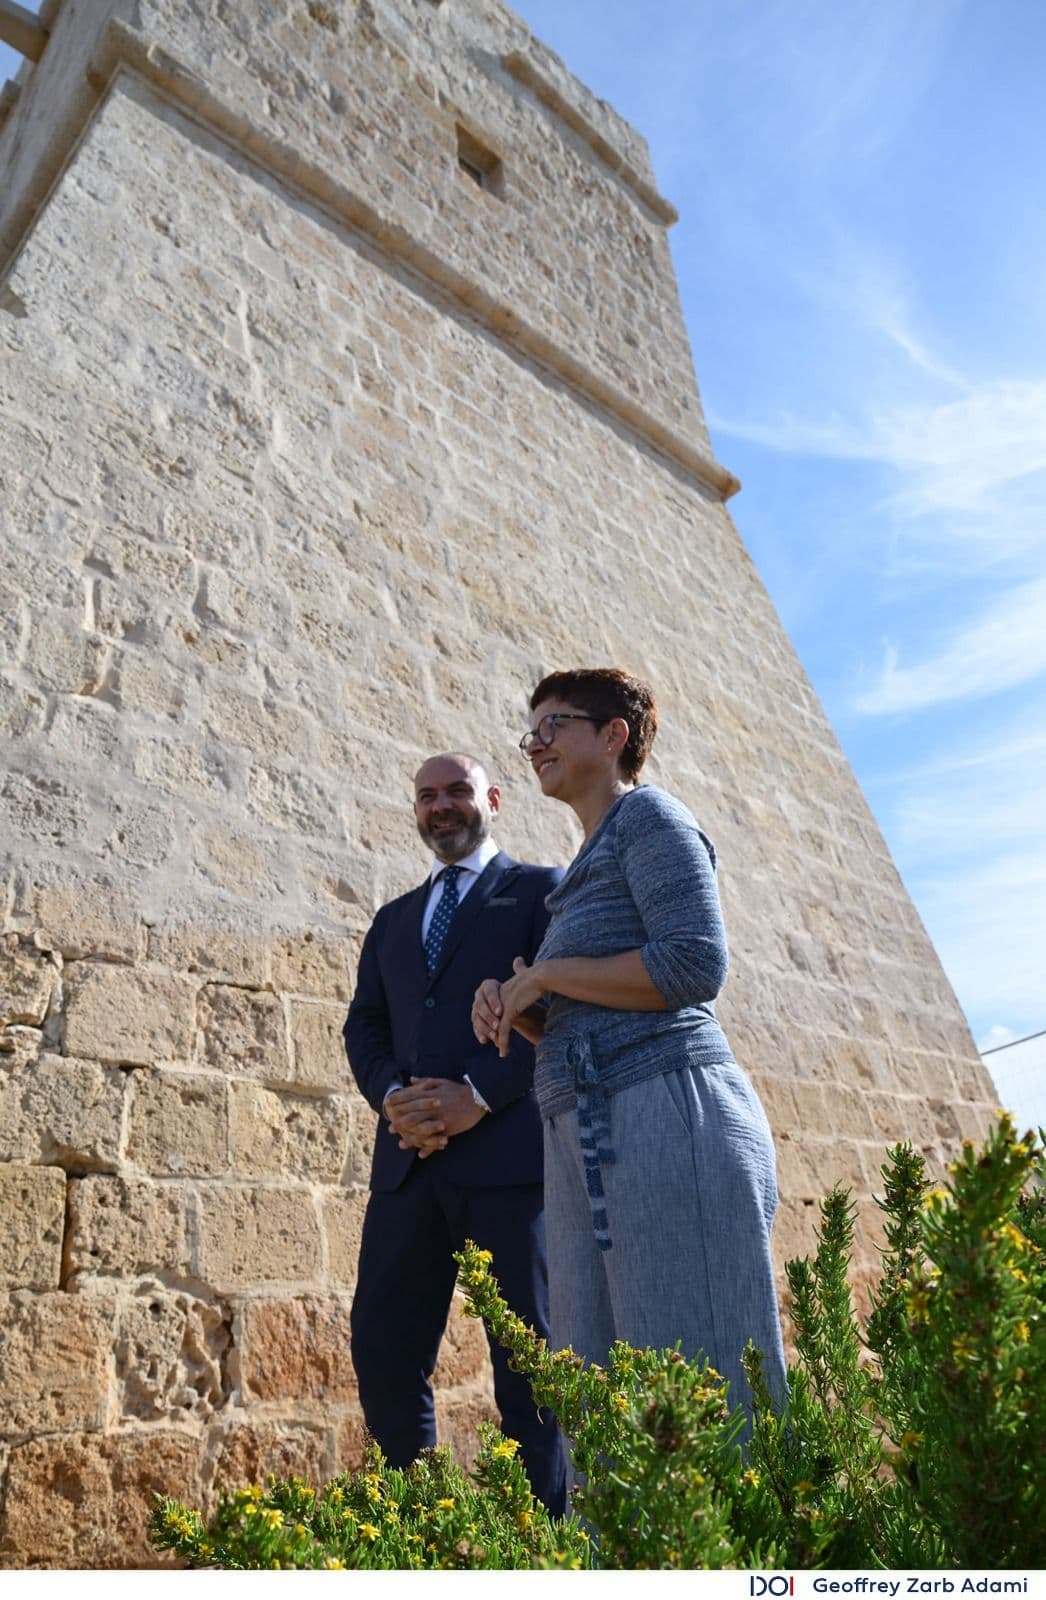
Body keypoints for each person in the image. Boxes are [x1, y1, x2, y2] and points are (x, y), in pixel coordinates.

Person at [471, 669, 787, 1416]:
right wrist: (522, 1009)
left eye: (555, 725)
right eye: (531, 731)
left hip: (665, 1112)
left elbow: (693, 963)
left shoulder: (651, 819)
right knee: (607, 1397)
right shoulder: (585, 865)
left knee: (701, 1388)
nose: (535, 743)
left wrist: (548, 971)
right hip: (589, 1129)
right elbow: (599, 999)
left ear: (614, 736)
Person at [343, 752, 566, 1513]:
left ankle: (545, 1546)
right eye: (427, 796)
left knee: (527, 1364)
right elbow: (364, 1028)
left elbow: (564, 1017)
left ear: (492, 800)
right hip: (407, 1167)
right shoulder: (392, 920)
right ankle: (418, 1533)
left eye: (458, 792)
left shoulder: (540, 891)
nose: (442, 806)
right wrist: (392, 1098)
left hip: (509, 1168)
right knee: (382, 1349)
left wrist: (477, 1094)